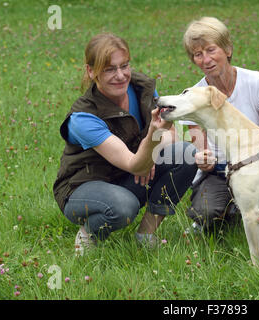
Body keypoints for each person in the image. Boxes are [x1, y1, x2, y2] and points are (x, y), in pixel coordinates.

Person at [53, 33, 197, 255]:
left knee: (185, 153)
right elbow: (136, 162)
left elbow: (172, 138)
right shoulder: (83, 118)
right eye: (109, 69)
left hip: (128, 172)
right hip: (84, 186)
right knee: (123, 207)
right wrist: (148, 146)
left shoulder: (142, 88)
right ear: (91, 71)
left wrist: (147, 152)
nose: (120, 76)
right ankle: (89, 232)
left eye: (124, 66)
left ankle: (146, 234)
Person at [180, 17, 259, 233]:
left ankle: (241, 205)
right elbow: (202, 149)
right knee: (205, 214)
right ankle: (229, 208)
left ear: (228, 49)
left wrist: (246, 156)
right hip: (219, 172)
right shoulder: (193, 97)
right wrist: (203, 159)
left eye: (211, 50)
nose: (206, 59)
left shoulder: (256, 82)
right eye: (197, 54)